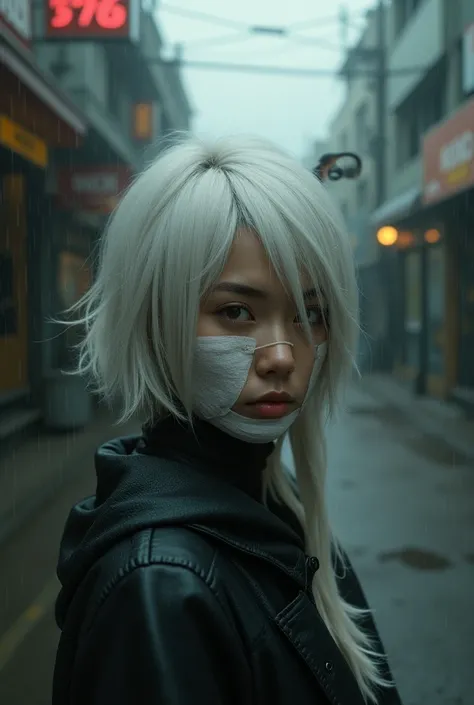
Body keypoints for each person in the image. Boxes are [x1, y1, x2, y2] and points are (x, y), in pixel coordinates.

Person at [52, 135, 402, 705]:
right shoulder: (161, 589)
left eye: (309, 313)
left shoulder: (268, 499)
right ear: (155, 318)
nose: (283, 355)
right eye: (235, 311)